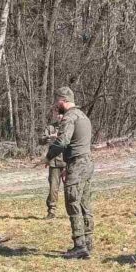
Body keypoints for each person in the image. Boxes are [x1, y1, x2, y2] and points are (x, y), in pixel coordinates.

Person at [45, 87, 94, 259]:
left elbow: (62, 142)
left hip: (77, 164)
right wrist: (67, 166)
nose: (55, 105)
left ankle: (79, 245)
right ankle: (88, 241)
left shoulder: (69, 117)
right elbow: (78, 144)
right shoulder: (83, 116)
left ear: (63, 100)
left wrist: (48, 157)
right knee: (84, 203)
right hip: (86, 163)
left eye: (57, 101)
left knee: (73, 202)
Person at [39, 106, 65, 219]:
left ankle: (75, 210)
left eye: (61, 113)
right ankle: (51, 211)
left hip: (68, 161)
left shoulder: (69, 126)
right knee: (53, 188)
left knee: (71, 187)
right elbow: (41, 140)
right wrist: (49, 137)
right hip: (54, 162)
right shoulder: (50, 127)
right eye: (57, 113)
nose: (59, 116)